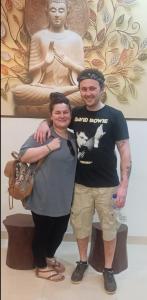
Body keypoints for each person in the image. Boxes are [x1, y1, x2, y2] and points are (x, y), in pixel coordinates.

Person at [34, 68, 132, 293]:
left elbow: (124, 150)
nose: (87, 93)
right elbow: (57, 119)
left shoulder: (115, 115)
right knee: (80, 226)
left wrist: (124, 185)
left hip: (108, 185)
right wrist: (43, 123)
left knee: (109, 228)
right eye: (84, 89)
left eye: (92, 88)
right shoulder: (75, 113)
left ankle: (107, 269)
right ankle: (82, 261)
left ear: (102, 89)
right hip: (80, 185)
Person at [19, 92, 77, 281]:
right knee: (43, 234)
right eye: (58, 112)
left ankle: (49, 256)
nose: (62, 116)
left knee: (59, 232)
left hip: (65, 197)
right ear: (51, 116)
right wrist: (48, 147)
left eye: (65, 113)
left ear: (70, 115)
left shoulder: (72, 136)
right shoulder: (43, 134)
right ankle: (41, 266)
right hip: (43, 195)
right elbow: (24, 156)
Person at [12, 0, 84, 117]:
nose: (57, 14)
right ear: (46, 12)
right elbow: (32, 70)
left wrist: (69, 63)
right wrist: (44, 63)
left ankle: (55, 98)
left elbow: (82, 72)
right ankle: (60, 97)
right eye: (53, 10)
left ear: (67, 12)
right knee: (18, 92)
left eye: (61, 10)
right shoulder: (38, 37)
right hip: (44, 88)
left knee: (92, 94)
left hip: (69, 87)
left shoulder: (75, 39)